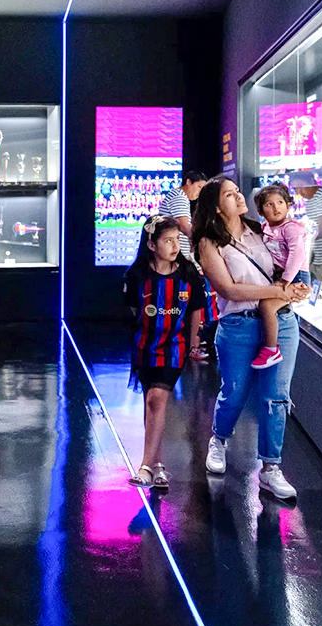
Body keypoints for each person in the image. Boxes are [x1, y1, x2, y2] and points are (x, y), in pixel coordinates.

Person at [192, 177, 309, 501]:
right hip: (239, 324)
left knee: (276, 397)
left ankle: (271, 468)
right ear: (217, 206)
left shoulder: (263, 230)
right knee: (235, 392)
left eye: (237, 191)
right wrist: (278, 291)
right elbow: (228, 289)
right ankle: (220, 439)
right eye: (230, 194)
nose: (239, 196)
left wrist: (295, 287)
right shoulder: (209, 243)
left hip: (282, 321)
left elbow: (290, 263)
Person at [123, 217, 206, 490]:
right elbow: (134, 311)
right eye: (168, 240)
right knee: (152, 402)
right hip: (145, 347)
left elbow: (196, 309)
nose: (174, 245)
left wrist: (193, 342)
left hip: (174, 348)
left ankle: (145, 465)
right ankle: (157, 465)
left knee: (158, 398)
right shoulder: (136, 275)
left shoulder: (188, 273)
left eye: (177, 240)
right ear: (151, 244)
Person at [252, 182, 308, 369]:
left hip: (295, 275)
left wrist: (286, 280)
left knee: (267, 305)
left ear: (288, 204)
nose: (276, 208)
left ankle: (271, 349)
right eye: (269, 204)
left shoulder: (290, 228)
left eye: (280, 202)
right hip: (280, 275)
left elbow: (297, 254)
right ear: (261, 210)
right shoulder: (266, 228)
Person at [157, 169, 207, 260]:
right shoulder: (179, 197)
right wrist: (200, 242)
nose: (200, 192)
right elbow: (184, 226)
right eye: (199, 187)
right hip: (175, 254)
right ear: (188, 182)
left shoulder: (179, 195)